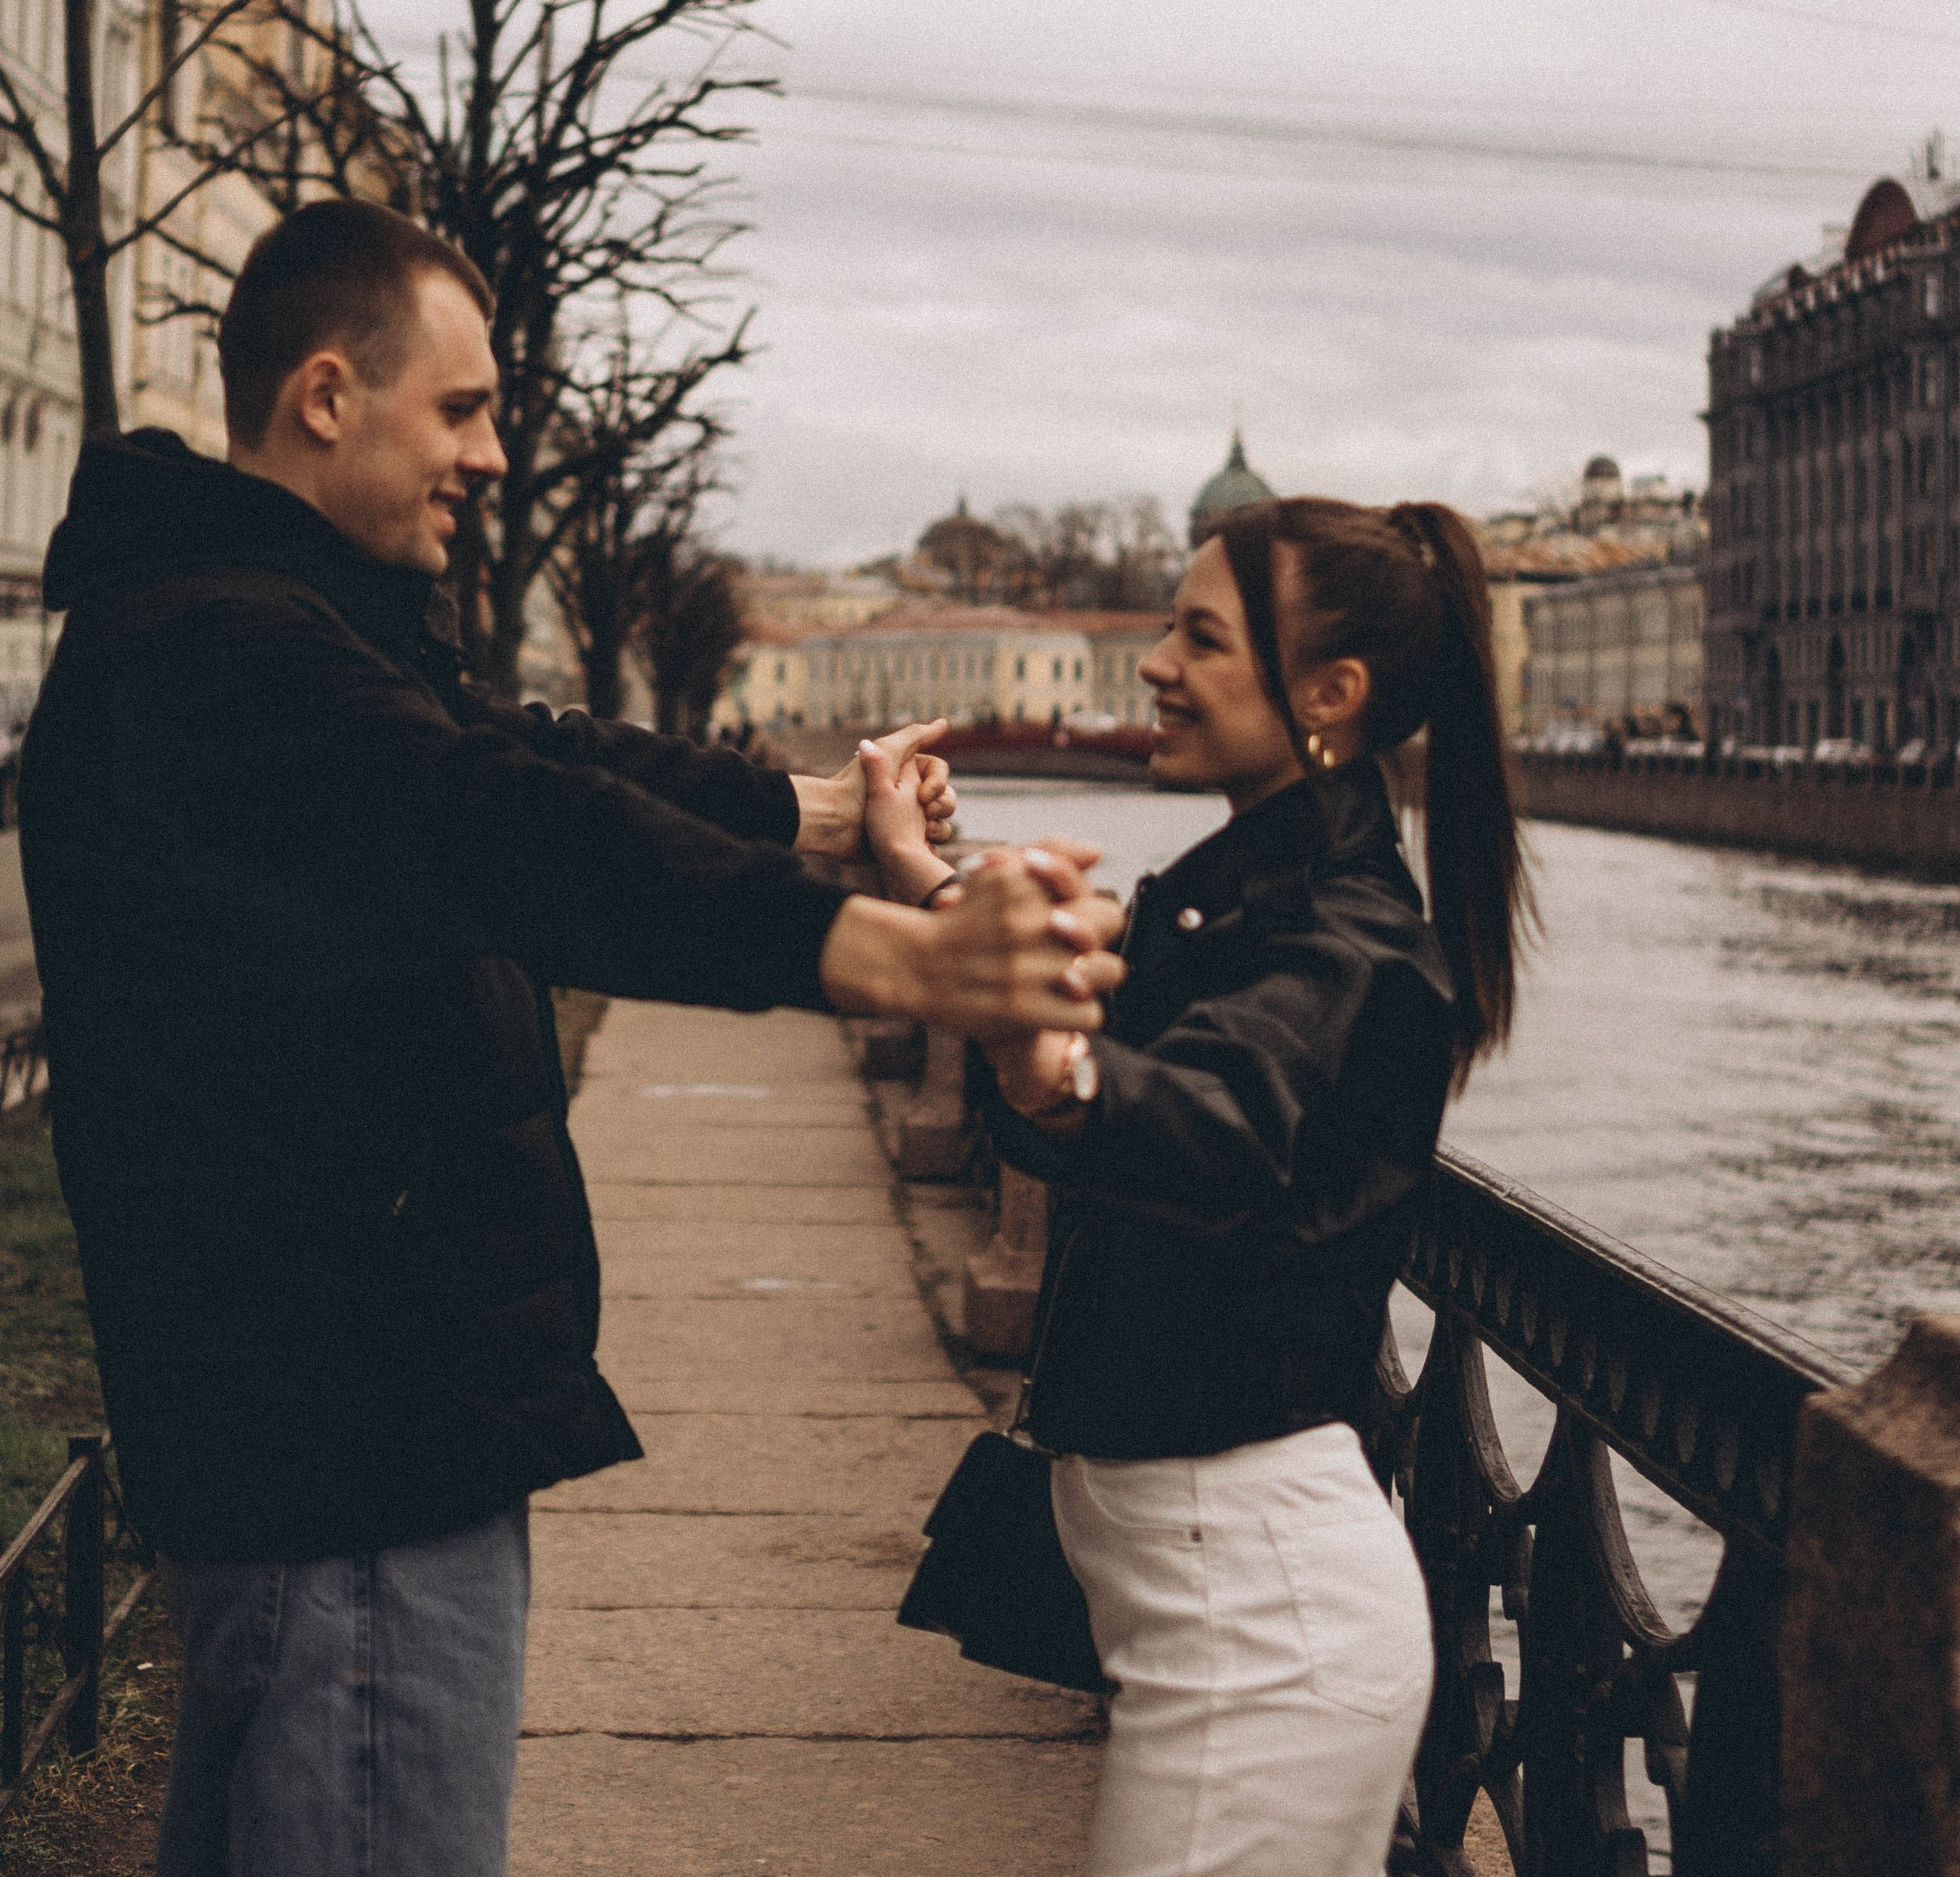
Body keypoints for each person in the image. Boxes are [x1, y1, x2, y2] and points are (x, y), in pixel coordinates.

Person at [20, 200, 1128, 1877]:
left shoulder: (253, 619)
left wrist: (819, 813)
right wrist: (904, 962)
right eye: (460, 411)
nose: (491, 455)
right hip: (357, 1441)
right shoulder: (230, 650)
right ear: (326, 396)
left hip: (310, 1431)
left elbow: (523, 760)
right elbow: (491, 823)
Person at [876, 495, 1533, 1877]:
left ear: (1329, 696)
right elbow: (1110, 1025)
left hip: (1262, 1639)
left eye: (1203, 637)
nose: (1155, 664)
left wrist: (1056, 1067)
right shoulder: (1243, 903)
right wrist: (930, 887)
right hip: (1213, 1608)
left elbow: (1215, 1115)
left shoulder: (1347, 947)